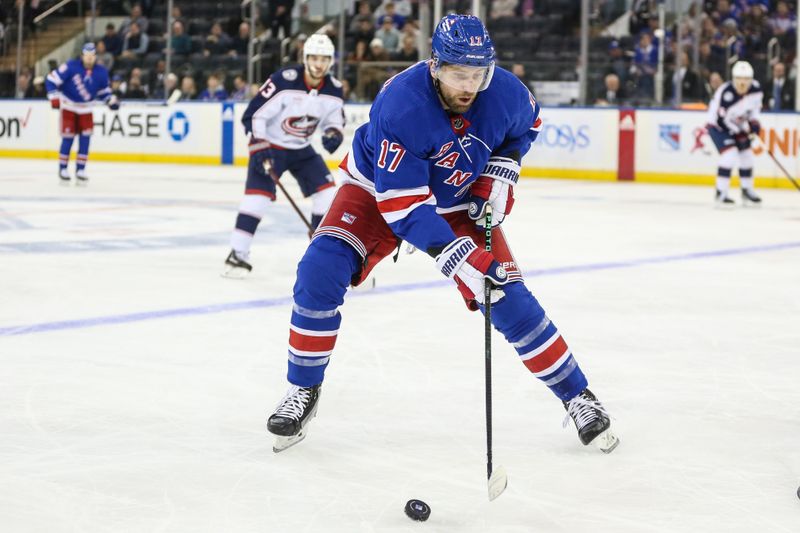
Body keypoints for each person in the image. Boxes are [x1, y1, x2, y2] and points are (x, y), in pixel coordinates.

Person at [264, 15, 619, 455]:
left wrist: (499, 174)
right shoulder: (401, 103)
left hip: (458, 197)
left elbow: (525, 128)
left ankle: (578, 396)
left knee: (506, 294)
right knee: (320, 269)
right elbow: (404, 207)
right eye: (458, 74)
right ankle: (303, 390)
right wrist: (461, 259)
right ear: (435, 66)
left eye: (477, 74)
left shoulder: (505, 93)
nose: (469, 85)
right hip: (378, 190)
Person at [223, 34, 345, 277]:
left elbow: (335, 120)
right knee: (258, 198)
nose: (319, 64)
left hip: (302, 149)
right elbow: (254, 114)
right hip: (272, 146)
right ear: (305, 58)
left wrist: (333, 132)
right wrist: (259, 143)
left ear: (331, 61)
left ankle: (319, 254)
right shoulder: (284, 80)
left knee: (328, 194)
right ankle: (237, 254)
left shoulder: (334, 88)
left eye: (324, 59)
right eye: (314, 57)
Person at [45, 43, 119, 185]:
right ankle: (63, 168)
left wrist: (111, 101)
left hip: (86, 109)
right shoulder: (70, 66)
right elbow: (51, 80)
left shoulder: (101, 72)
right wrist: (53, 97)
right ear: (82, 56)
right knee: (68, 139)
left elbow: (104, 92)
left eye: (92, 56)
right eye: (87, 56)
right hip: (69, 107)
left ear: (95, 57)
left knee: (85, 140)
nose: (89, 58)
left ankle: (81, 169)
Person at [706, 60, 763, 206]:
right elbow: (720, 120)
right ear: (733, 78)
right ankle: (721, 192)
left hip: (737, 126)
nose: (743, 82)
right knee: (729, 155)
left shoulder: (756, 90)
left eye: (746, 79)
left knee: (747, 156)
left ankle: (746, 190)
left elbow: (754, 111)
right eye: (739, 79)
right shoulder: (725, 93)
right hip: (718, 127)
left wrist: (754, 125)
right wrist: (740, 130)